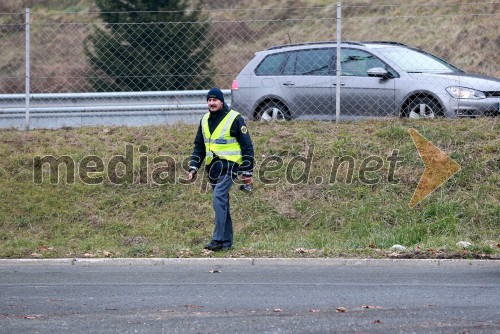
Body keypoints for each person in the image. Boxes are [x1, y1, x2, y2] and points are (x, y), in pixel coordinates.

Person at [188, 88, 254, 251]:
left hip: (230, 166)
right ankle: (227, 242)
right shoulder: (204, 120)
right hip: (213, 169)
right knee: (222, 203)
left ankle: (217, 240)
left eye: (214, 100)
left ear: (221, 101)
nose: (211, 103)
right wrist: (194, 166)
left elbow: (247, 147)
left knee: (218, 198)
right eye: (209, 100)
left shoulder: (235, 119)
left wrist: (247, 172)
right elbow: (199, 146)